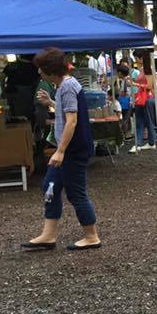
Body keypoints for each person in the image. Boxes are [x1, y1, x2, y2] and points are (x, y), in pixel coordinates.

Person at [22, 47, 101, 252]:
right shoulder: (66, 85)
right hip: (70, 149)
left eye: (41, 69)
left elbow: (72, 121)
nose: (39, 73)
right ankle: (48, 235)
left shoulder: (66, 87)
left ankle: (91, 236)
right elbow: (67, 110)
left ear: (49, 71)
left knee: (76, 193)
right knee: (50, 186)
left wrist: (61, 150)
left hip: (73, 149)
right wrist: (50, 102)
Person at [129, 56, 157, 153]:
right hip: (142, 97)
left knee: (147, 120)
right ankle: (144, 143)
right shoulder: (142, 69)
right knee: (141, 121)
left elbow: (149, 86)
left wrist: (135, 84)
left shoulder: (148, 69)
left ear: (141, 59)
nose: (135, 60)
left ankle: (149, 142)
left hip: (147, 98)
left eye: (136, 58)